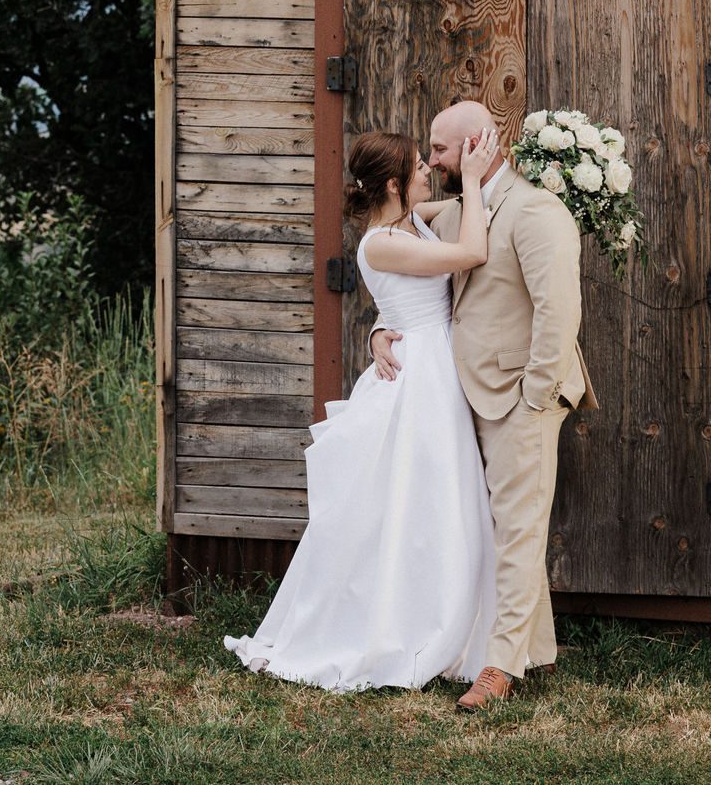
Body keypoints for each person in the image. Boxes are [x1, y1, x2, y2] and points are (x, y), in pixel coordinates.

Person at [222, 125, 500, 691]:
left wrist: (379, 325)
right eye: (421, 167)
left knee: (440, 497)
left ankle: (462, 620)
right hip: (419, 374)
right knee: (418, 500)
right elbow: (473, 250)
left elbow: (476, 215)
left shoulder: (411, 221)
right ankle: (407, 626)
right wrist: (470, 178)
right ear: (395, 185)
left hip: (431, 361)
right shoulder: (381, 241)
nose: (431, 172)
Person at [368, 99, 597, 712]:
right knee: (500, 529)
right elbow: (395, 246)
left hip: (522, 395)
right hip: (463, 396)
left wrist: (537, 394)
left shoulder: (536, 211)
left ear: (474, 145)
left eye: (439, 150)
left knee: (519, 529)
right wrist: (379, 327)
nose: (432, 161)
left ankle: (498, 668)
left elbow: (559, 312)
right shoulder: (457, 211)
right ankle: (532, 647)